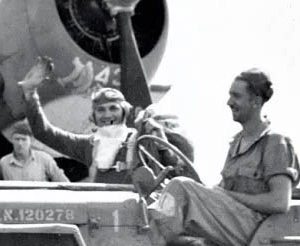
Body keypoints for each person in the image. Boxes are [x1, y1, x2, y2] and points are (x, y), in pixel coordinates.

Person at [147, 68, 300, 246]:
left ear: (256, 101)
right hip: (232, 222)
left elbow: (279, 202)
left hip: (254, 231)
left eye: (236, 96)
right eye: (230, 96)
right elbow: (223, 192)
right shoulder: (237, 142)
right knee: (156, 197)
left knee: (181, 186)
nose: (229, 102)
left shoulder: (275, 142)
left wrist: (227, 195)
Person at [18, 60, 194, 185]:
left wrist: (160, 140)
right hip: (103, 215)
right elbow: (44, 132)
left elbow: (175, 171)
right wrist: (30, 93)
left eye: (113, 108)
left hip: (140, 214)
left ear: (124, 112)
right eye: (101, 110)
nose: (107, 114)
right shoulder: (88, 145)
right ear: (94, 117)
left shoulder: (143, 140)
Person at [0, 122, 69, 182]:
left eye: (24, 139)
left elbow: (63, 182)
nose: (20, 143)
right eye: (17, 139)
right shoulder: (3, 163)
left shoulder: (44, 159)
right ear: (11, 140)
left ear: (30, 141)